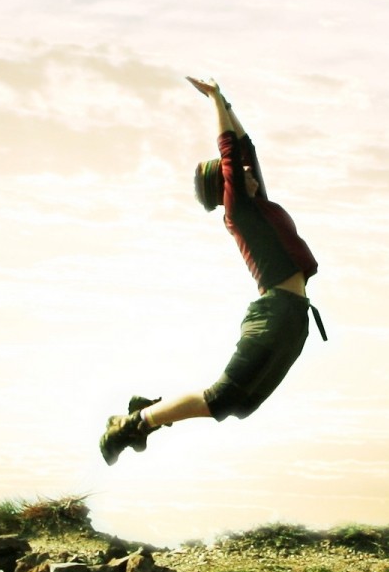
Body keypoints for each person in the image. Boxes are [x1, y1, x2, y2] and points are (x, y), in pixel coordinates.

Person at [99, 76, 325, 465]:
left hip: (293, 320)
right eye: (237, 172)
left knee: (240, 405)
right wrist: (215, 100)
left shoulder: (261, 205)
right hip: (273, 318)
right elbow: (230, 150)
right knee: (222, 399)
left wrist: (229, 105)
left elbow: (244, 147)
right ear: (226, 186)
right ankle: (133, 422)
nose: (246, 170)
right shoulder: (240, 211)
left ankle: (149, 414)